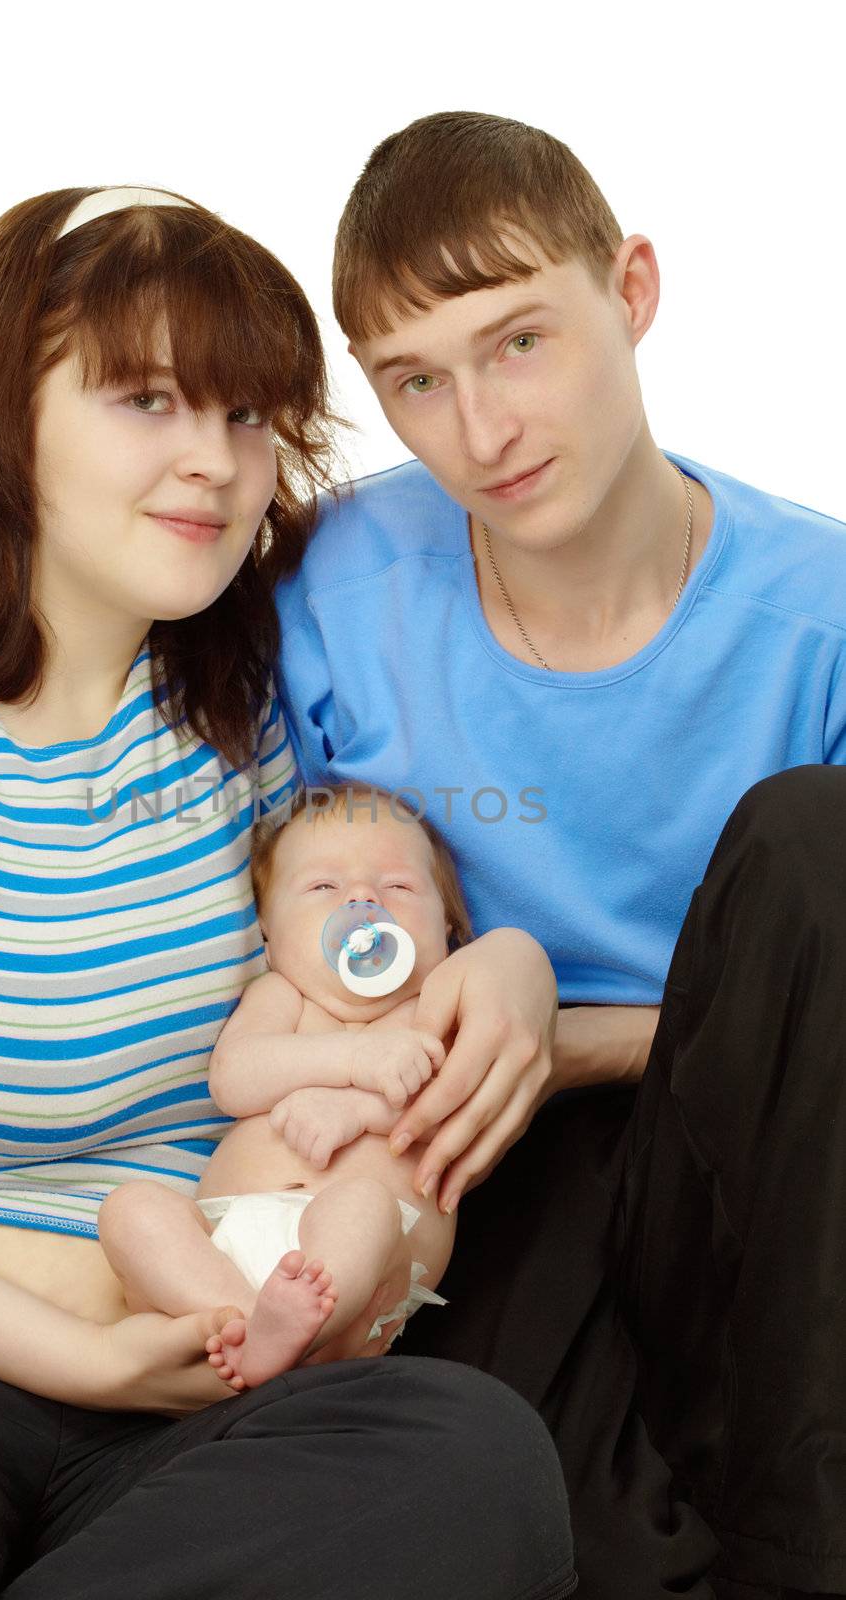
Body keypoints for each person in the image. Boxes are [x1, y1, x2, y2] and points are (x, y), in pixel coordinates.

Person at [0, 182, 579, 1600]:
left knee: (465, 1461)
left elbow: (346, 969)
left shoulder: (244, 721)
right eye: (145, 400)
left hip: (197, 1356)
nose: (213, 461)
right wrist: (78, 1349)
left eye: (247, 415)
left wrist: (505, 960)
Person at [273, 113, 846, 1600]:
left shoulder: (819, 613)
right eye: (415, 381)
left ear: (632, 289)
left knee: (811, 837)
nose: (481, 430)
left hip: (762, 1151)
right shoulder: (332, 589)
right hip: (463, 1156)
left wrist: (556, 1028)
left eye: (517, 340)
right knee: (531, 1527)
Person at [96, 784, 470, 1388]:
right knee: (129, 1210)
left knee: (362, 1205)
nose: (363, 899)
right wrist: (354, 1058)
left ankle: (296, 1332)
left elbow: (456, 1108)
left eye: (398, 886)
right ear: (267, 930)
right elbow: (234, 1080)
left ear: (448, 925)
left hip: (368, 1257)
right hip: (225, 1245)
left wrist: (356, 1109)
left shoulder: (438, 1009)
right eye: (324, 888)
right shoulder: (281, 997)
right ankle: (246, 1325)